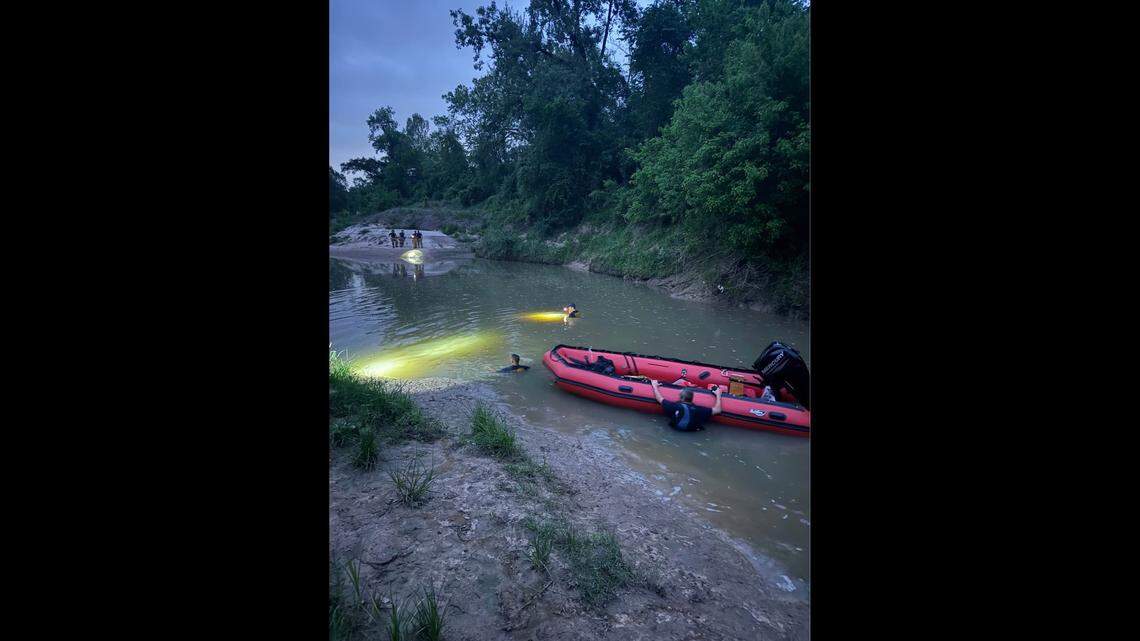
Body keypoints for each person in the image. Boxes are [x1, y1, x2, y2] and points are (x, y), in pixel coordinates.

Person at [650, 379, 721, 431]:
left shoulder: (674, 406)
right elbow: (718, 410)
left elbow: (659, 398)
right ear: (692, 398)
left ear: (681, 398)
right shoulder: (698, 409)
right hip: (693, 432)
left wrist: (655, 386)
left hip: (674, 429)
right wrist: (718, 394)